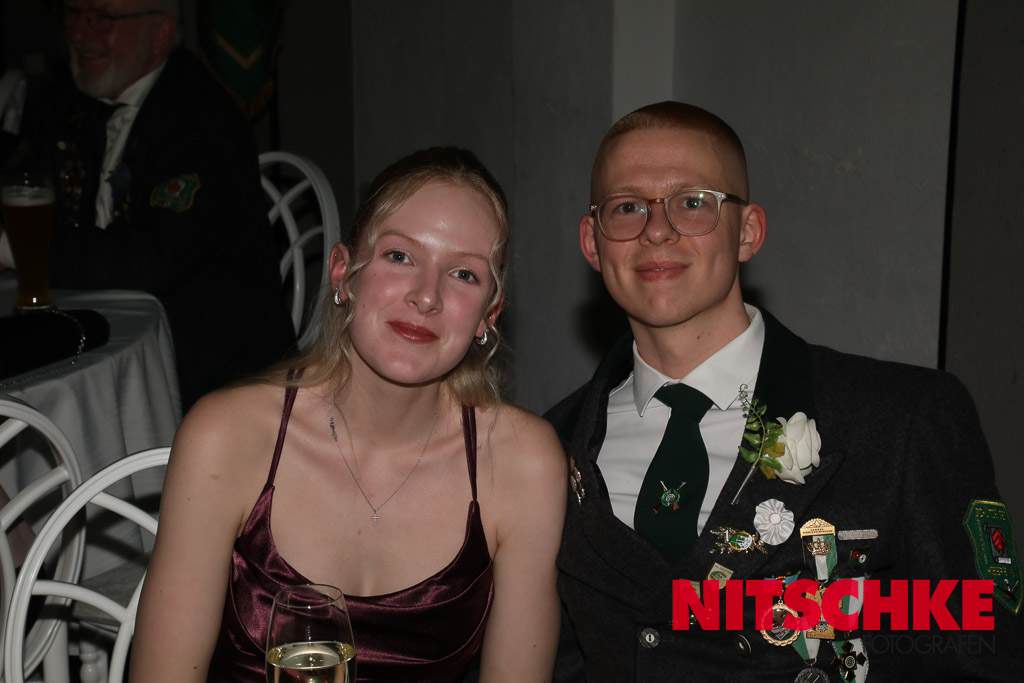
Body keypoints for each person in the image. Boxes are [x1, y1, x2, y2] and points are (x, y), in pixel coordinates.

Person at [546, 101, 1023, 682]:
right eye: (627, 207)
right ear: (592, 243)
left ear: (748, 232)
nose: (657, 230)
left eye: (693, 202)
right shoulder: (549, 448)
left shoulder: (904, 418)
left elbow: (982, 658)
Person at [130, 147, 567, 682]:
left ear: (488, 316)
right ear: (343, 273)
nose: (426, 296)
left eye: (463, 274)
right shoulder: (228, 437)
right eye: (399, 256)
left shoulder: (522, 464)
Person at [2, 0, 294, 408]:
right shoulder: (71, 99)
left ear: (160, 34)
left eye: (102, 18)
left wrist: (16, 247)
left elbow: (148, 259)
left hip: (218, 375)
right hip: (115, 330)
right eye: (74, 14)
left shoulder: (199, 116)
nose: (80, 34)